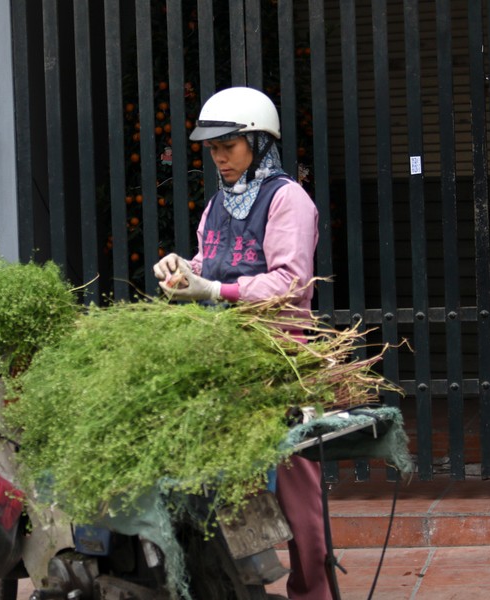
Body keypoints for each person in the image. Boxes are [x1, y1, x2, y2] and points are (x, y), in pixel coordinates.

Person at [153, 87, 332, 600]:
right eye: (212, 149)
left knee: (297, 493)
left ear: (257, 141)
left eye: (229, 145)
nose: (220, 157)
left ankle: (311, 591)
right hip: (223, 362)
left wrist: (218, 290)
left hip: (279, 363)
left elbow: (292, 283)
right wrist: (184, 269)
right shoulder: (217, 203)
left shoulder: (288, 200)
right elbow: (210, 262)